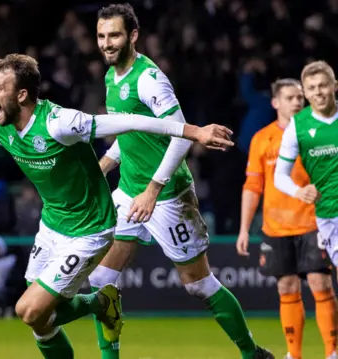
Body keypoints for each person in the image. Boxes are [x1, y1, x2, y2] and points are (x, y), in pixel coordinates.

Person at [0, 52, 234, 358]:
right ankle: (95, 306)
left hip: (91, 228)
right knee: (42, 321)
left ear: (21, 94)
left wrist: (194, 131)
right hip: (53, 224)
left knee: (29, 310)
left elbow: (133, 120)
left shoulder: (60, 123)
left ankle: (100, 304)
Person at [90, 4, 273, 359]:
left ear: (133, 36)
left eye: (114, 35)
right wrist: (102, 168)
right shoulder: (111, 78)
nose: (106, 43)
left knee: (199, 285)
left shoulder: (148, 78)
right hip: (129, 192)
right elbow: (129, 136)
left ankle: (251, 353)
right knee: (101, 281)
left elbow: (182, 135)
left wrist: (153, 191)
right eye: (101, 36)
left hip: (168, 196)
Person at [237, 78, 336, 359]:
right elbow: (253, 186)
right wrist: (244, 229)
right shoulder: (261, 139)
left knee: (320, 282)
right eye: (290, 97)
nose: (297, 102)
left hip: (313, 222)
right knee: (287, 287)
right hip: (276, 227)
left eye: (299, 98)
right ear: (275, 103)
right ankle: (294, 354)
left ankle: (332, 352)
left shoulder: (317, 131)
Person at [275, 60, 338, 359]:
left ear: (334, 86)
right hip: (328, 217)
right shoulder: (298, 127)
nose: (318, 92)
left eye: (323, 85)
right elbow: (279, 177)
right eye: (311, 88)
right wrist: (299, 191)